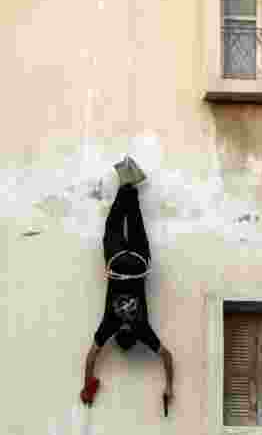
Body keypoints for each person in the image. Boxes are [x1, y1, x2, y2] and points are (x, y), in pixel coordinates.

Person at [80, 156, 174, 414]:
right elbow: (91, 357)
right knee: (112, 228)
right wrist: (86, 384)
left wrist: (169, 388)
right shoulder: (108, 324)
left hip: (140, 265)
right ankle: (126, 185)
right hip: (119, 265)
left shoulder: (143, 328)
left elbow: (166, 355)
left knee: (134, 223)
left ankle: (130, 186)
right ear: (121, 333)